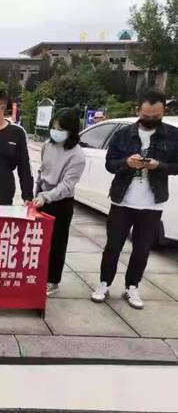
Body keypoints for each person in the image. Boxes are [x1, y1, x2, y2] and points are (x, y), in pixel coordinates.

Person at [91, 90, 178, 309]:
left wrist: (160, 166)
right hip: (122, 200)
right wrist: (126, 163)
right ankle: (104, 283)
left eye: (156, 116)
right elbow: (110, 164)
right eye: (146, 116)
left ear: (163, 112)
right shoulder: (123, 134)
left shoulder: (173, 135)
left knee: (142, 249)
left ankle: (132, 286)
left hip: (152, 203)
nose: (150, 120)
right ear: (138, 110)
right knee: (113, 247)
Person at [33, 108, 86, 296]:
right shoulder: (48, 145)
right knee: (39, 242)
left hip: (61, 203)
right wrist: (37, 191)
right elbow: (42, 170)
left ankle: (53, 281)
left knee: (57, 244)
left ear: (71, 131)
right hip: (42, 197)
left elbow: (66, 185)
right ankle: (38, 275)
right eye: (54, 127)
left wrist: (46, 196)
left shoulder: (77, 155)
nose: (55, 132)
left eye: (61, 129)